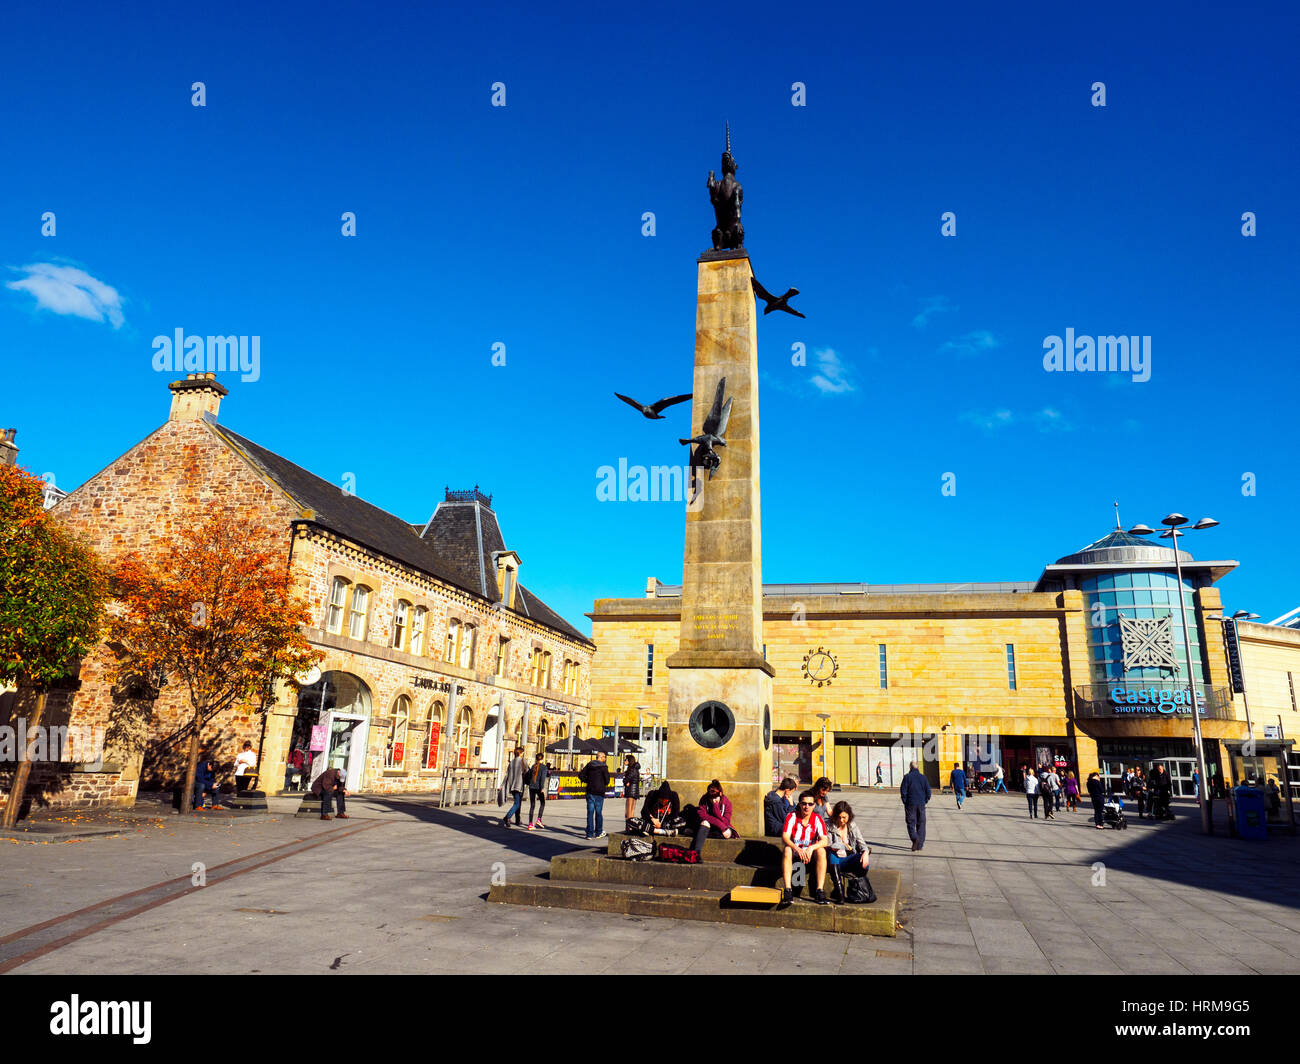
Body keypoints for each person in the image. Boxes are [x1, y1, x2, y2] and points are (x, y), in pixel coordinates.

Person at [779, 790, 829, 907]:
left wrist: (811, 848)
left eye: (810, 804)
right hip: (796, 851)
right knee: (787, 849)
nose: (807, 807)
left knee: (821, 851)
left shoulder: (817, 819)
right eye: (804, 803)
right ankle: (788, 890)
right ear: (800, 804)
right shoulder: (792, 816)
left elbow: (825, 841)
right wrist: (797, 849)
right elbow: (785, 837)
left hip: (810, 853)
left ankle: (819, 890)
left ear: (814, 805)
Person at [825, 801, 870, 903]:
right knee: (832, 855)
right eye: (839, 817)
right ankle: (839, 893)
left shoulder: (852, 826)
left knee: (864, 860)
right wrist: (841, 846)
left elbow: (862, 843)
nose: (841, 820)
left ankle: (858, 887)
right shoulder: (828, 825)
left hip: (848, 858)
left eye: (844, 817)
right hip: (834, 861)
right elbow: (828, 843)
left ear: (849, 816)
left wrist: (865, 853)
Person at [692, 779, 739, 854]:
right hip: (709, 825)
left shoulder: (727, 803)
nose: (713, 800)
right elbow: (703, 816)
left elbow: (726, 822)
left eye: (715, 798)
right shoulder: (704, 799)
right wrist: (720, 824)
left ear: (720, 794)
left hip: (721, 827)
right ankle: (696, 852)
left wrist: (716, 807)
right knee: (705, 822)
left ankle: (696, 833)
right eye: (711, 798)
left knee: (727, 833)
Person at [578, 751, 610, 839]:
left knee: (590, 812)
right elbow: (607, 780)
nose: (605, 759)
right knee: (598, 812)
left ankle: (589, 834)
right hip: (599, 791)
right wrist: (602, 782)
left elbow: (581, 775)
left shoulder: (589, 765)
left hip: (590, 790)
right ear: (600, 757)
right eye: (604, 757)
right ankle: (598, 832)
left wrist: (588, 781)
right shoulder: (604, 767)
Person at [900, 760, 931, 851]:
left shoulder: (907, 777)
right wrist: (925, 800)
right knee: (921, 824)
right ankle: (919, 845)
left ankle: (914, 838)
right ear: (918, 768)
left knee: (910, 823)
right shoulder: (923, 778)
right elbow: (928, 792)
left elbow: (903, 791)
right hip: (921, 804)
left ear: (910, 767)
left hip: (910, 804)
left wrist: (905, 801)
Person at [500, 746, 527, 828]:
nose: (523, 754)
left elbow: (507, 775)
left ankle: (518, 820)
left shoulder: (511, 762)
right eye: (522, 752)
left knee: (517, 802)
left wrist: (502, 784)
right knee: (517, 804)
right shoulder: (522, 761)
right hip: (519, 785)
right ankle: (507, 817)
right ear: (520, 753)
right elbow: (527, 771)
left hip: (512, 785)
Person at [526, 754, 549, 830]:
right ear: (542, 759)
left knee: (532, 805)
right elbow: (543, 778)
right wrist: (542, 788)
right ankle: (539, 819)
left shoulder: (533, 766)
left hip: (532, 787)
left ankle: (530, 824)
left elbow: (529, 776)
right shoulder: (544, 767)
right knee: (542, 803)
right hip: (539, 787)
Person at [623, 754, 641, 822]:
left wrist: (625, 781)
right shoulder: (635, 769)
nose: (624, 761)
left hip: (631, 790)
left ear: (629, 761)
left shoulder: (632, 769)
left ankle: (629, 825)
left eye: (625, 760)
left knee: (629, 810)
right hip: (634, 790)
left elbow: (627, 778)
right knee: (631, 809)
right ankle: (631, 825)